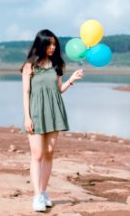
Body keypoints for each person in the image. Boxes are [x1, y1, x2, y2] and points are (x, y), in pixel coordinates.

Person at [21, 29, 83, 212]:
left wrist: (71, 79)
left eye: (55, 44)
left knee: (49, 152)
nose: (52, 47)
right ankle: (36, 196)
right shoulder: (29, 66)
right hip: (36, 113)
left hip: (54, 112)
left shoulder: (56, 65)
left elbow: (58, 90)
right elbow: (26, 93)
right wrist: (27, 117)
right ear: (41, 45)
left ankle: (44, 192)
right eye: (49, 44)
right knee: (37, 154)